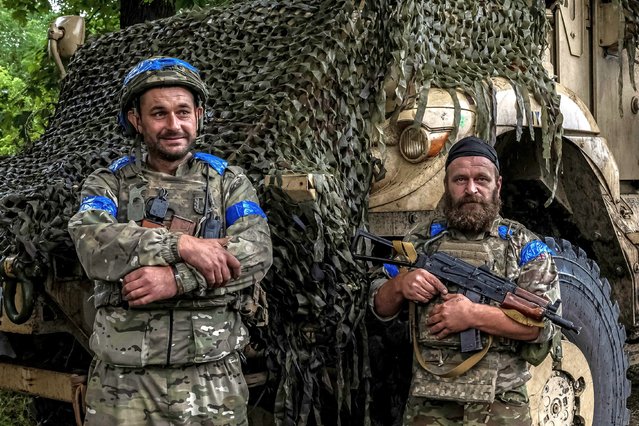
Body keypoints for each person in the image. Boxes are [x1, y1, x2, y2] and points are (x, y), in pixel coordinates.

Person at [68, 57, 272, 425]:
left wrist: (175, 280)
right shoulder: (107, 183)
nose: (173, 125)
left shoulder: (228, 182)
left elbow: (256, 251)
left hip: (211, 379)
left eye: (183, 111)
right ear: (136, 120)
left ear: (198, 114)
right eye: (159, 114)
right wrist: (181, 246)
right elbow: (91, 240)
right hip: (124, 384)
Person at [369, 136, 560, 425]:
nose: (471, 189)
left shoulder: (524, 247)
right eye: (460, 179)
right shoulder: (420, 242)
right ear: (446, 186)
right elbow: (378, 308)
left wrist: (472, 315)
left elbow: (543, 328)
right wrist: (400, 285)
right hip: (430, 402)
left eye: (481, 179)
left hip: (500, 404)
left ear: (497, 184)